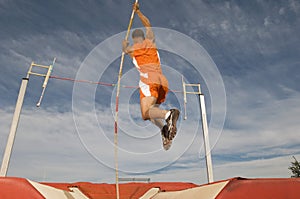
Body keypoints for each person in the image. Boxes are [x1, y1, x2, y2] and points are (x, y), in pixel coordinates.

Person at [122, 3, 180, 150]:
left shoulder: (134, 50)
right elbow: (148, 25)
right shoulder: (150, 43)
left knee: (147, 113)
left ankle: (169, 115)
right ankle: (164, 129)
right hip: (161, 81)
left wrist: (124, 46)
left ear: (136, 40)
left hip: (148, 80)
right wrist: (139, 12)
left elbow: (125, 50)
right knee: (150, 112)